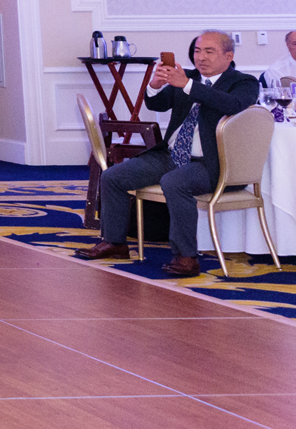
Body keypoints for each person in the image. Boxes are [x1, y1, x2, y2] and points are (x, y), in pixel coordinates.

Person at [78, 31, 260, 276]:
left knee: (174, 182)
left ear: (229, 56)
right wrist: (155, 85)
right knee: (114, 176)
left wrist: (187, 85)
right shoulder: (188, 78)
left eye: (209, 51)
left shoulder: (244, 82)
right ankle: (115, 243)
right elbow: (157, 104)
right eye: (197, 51)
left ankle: (187, 257)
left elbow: (232, 105)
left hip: (212, 162)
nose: (201, 57)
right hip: (172, 155)